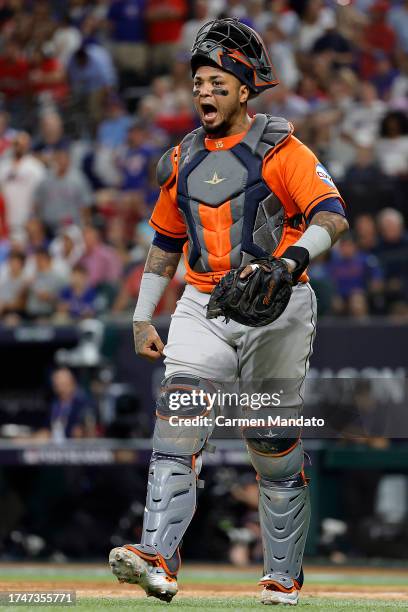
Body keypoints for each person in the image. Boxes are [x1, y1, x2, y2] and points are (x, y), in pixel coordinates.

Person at [109, 18, 348, 606]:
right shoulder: (180, 157)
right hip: (202, 305)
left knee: (270, 441)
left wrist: (289, 262)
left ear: (244, 90)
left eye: (217, 83)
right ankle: (156, 556)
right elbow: (165, 244)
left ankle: (282, 578)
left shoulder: (282, 149)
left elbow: (333, 215)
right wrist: (143, 317)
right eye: (198, 84)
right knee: (179, 419)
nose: (204, 94)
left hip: (279, 305)